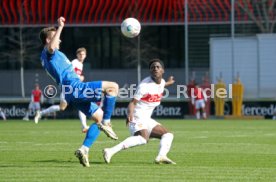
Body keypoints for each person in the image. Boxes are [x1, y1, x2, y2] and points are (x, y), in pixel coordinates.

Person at [39, 17, 118, 167]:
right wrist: (60, 26)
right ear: (47, 40)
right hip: (74, 87)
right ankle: (108, 122)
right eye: (56, 37)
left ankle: (84, 149)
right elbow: (51, 47)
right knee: (113, 87)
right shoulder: (50, 52)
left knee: (98, 117)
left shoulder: (48, 55)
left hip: (70, 91)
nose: (60, 40)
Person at [103, 59, 176, 164]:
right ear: (150, 71)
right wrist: (130, 114)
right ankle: (110, 151)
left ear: (162, 71)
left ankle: (161, 156)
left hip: (146, 118)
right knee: (143, 138)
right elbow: (132, 102)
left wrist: (170, 82)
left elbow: (162, 84)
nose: (155, 68)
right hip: (137, 116)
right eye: (152, 67)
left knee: (168, 135)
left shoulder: (162, 82)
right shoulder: (144, 86)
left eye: (157, 67)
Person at [35, 47, 90, 133]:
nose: (81, 56)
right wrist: (80, 77)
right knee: (79, 104)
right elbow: (69, 72)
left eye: (83, 54)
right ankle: (84, 126)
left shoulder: (80, 64)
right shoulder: (75, 62)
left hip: (71, 87)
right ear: (77, 55)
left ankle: (41, 113)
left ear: (85, 55)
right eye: (80, 54)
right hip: (68, 87)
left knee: (63, 107)